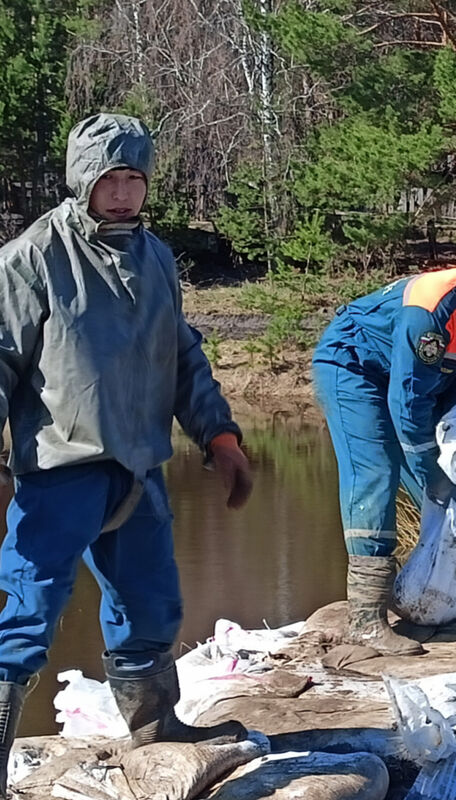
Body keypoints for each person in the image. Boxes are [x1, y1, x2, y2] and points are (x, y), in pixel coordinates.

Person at [0, 113, 254, 789]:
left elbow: (180, 355)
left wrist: (219, 434)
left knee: (151, 606)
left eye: (133, 179)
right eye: (108, 179)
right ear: (82, 179)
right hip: (61, 469)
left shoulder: (156, 258)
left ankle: (155, 733)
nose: (121, 193)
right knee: (26, 615)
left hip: (139, 467)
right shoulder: (32, 257)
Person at [312, 232, 456, 653]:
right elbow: (407, 404)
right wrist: (431, 469)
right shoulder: (432, 308)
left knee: (432, 480)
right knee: (378, 471)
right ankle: (366, 619)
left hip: (405, 376)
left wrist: (454, 426)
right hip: (353, 365)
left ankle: (441, 583)